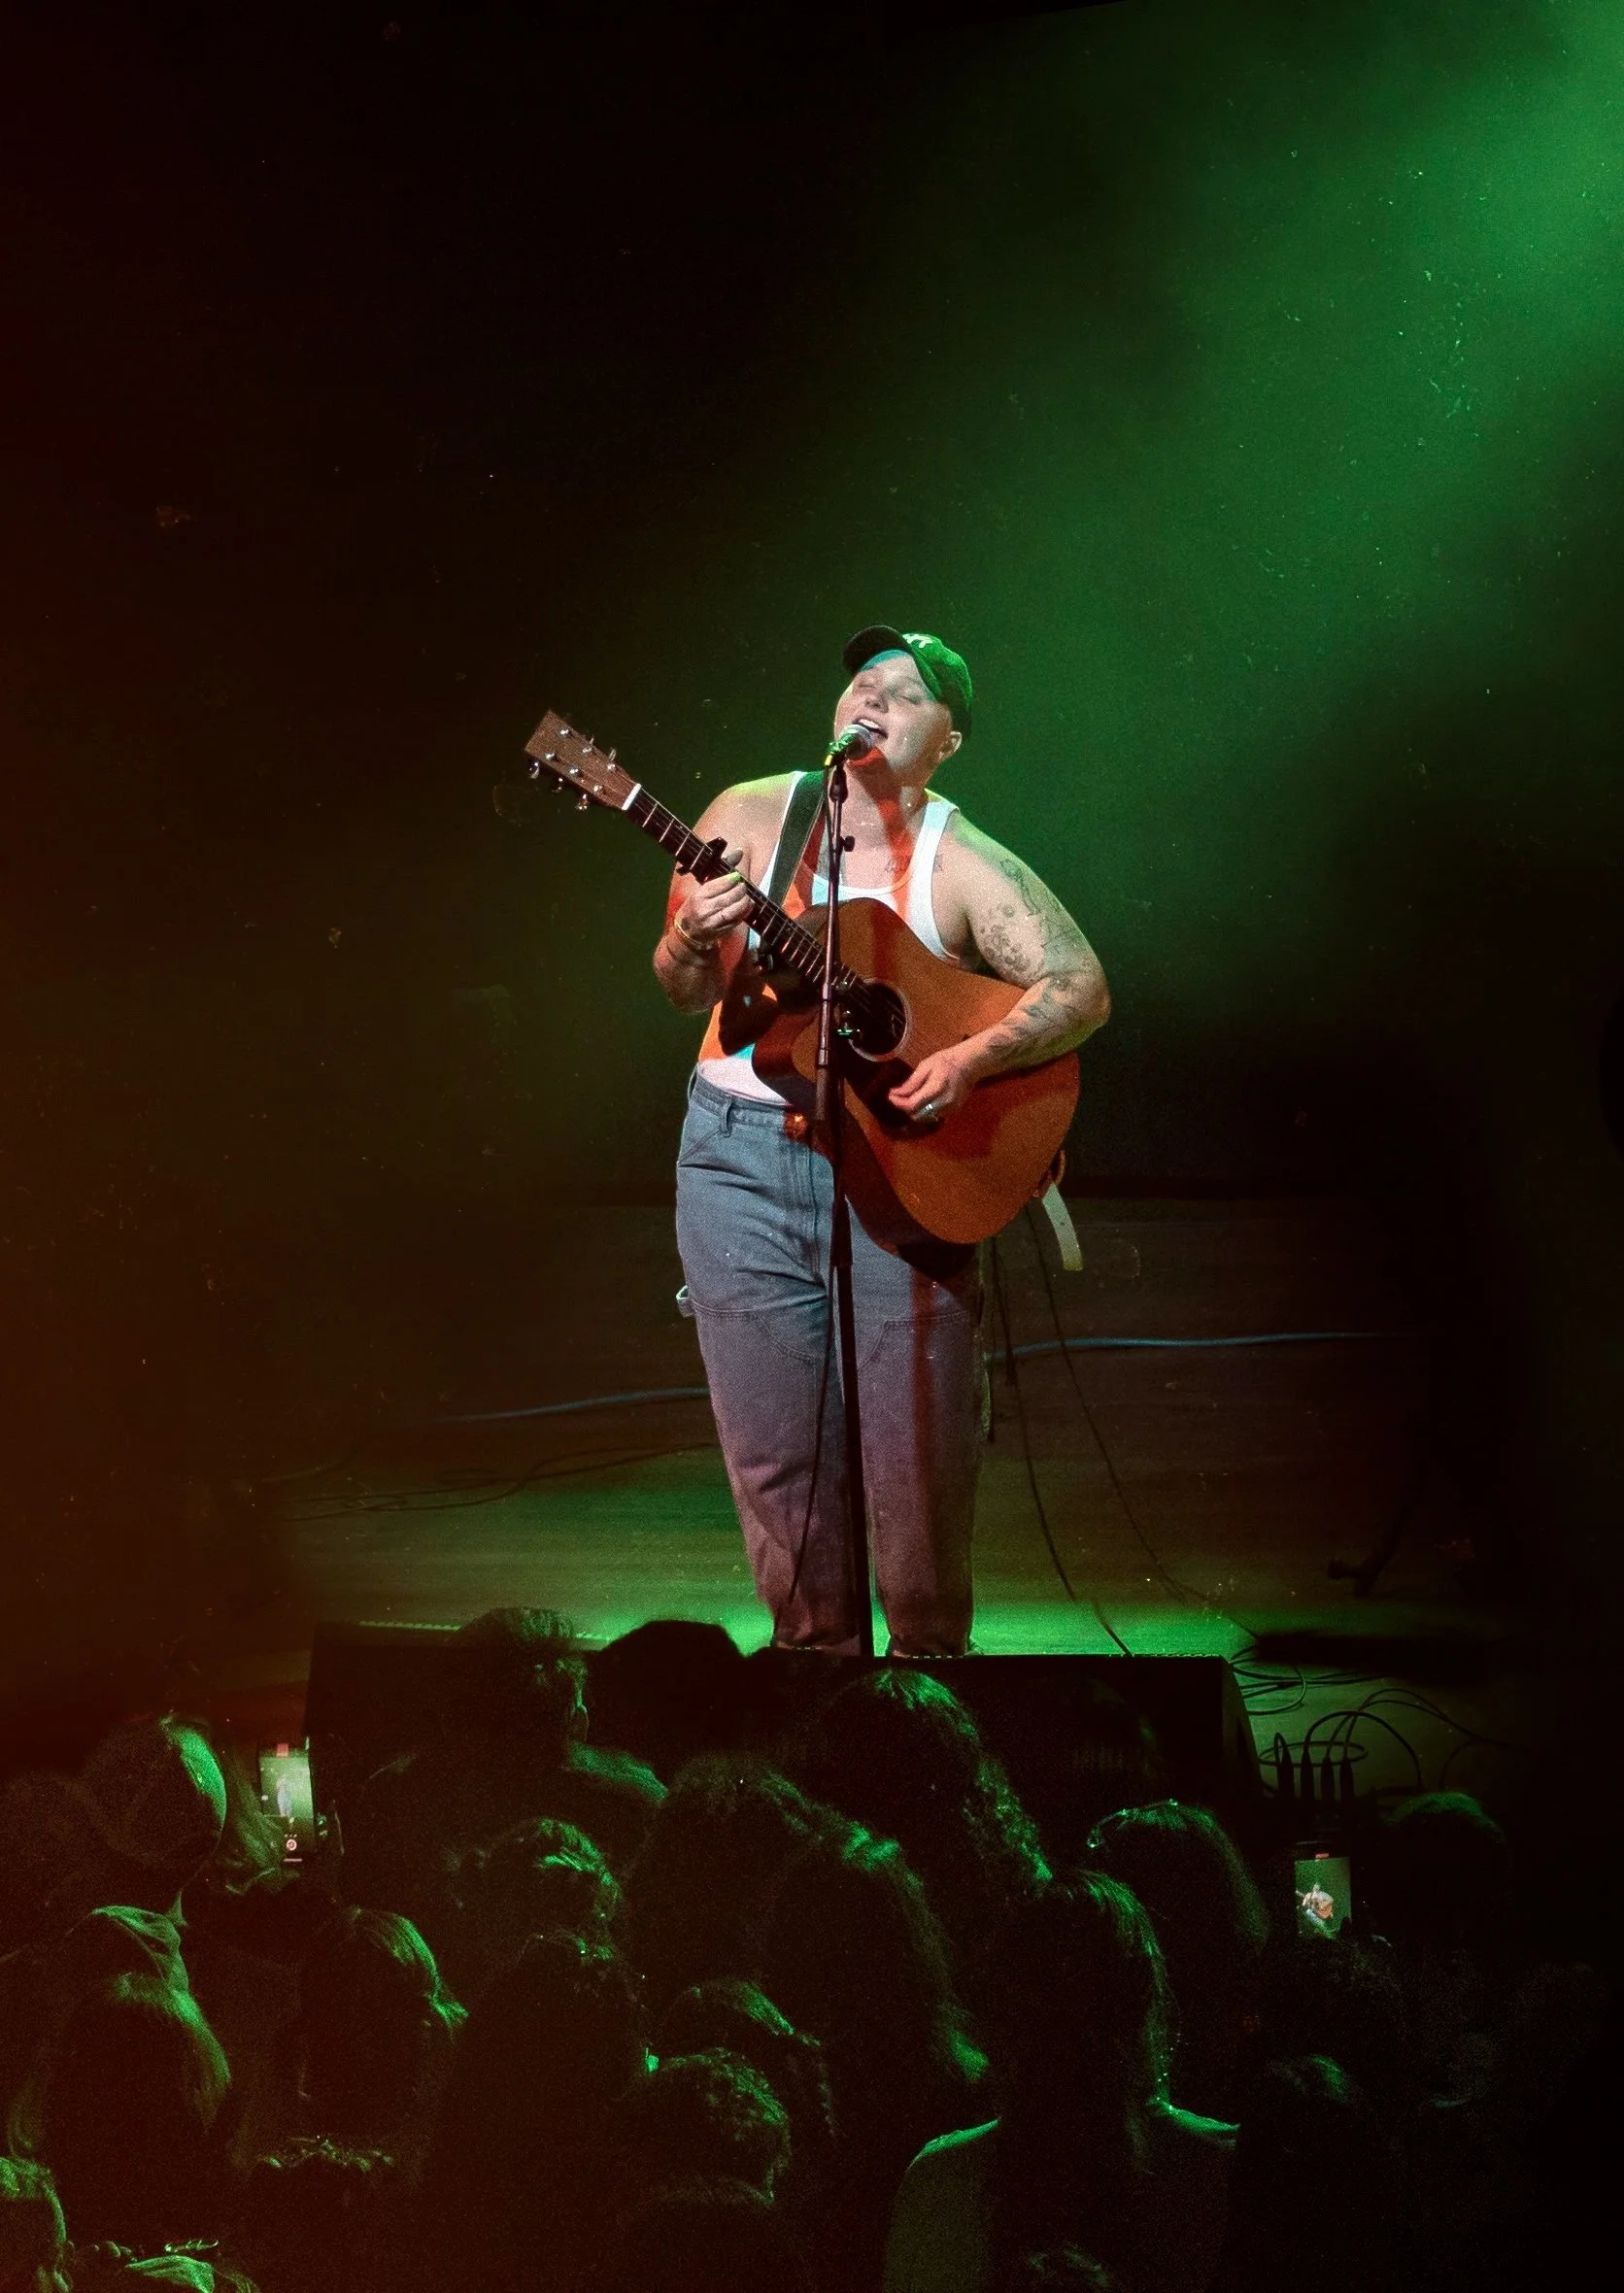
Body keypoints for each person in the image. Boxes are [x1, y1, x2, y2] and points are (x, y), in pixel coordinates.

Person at [655, 627, 1109, 1657]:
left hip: (902, 1176)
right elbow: (681, 986)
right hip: (737, 1155)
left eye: (904, 695)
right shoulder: (748, 814)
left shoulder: (963, 857)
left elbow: (1079, 987)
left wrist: (969, 1062)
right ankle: (811, 1676)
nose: (873, 697)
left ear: (946, 740)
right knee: (777, 1459)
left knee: (918, 1459)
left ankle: (928, 1692)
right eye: (862, 681)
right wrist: (688, 936)